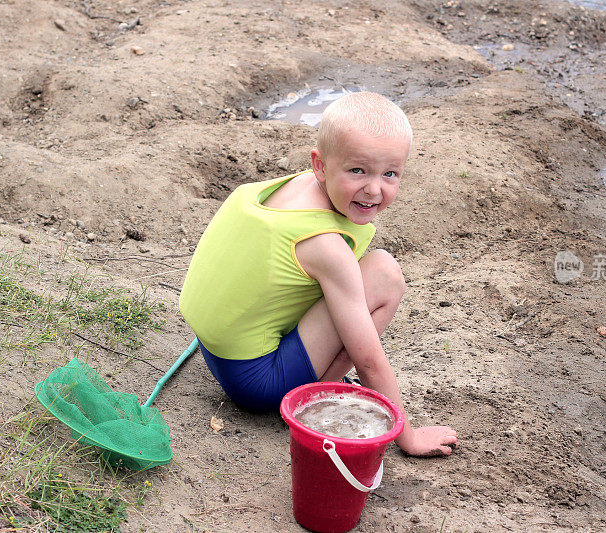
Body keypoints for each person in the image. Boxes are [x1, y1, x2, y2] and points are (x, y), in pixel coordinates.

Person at [179, 91, 457, 457]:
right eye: (358, 170)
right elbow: (369, 359)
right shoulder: (325, 247)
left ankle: (308, 373)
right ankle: (315, 394)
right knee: (384, 274)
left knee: (349, 280)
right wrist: (406, 436)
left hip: (217, 352)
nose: (374, 189)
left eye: (390, 174)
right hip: (257, 384)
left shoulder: (295, 188)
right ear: (320, 164)